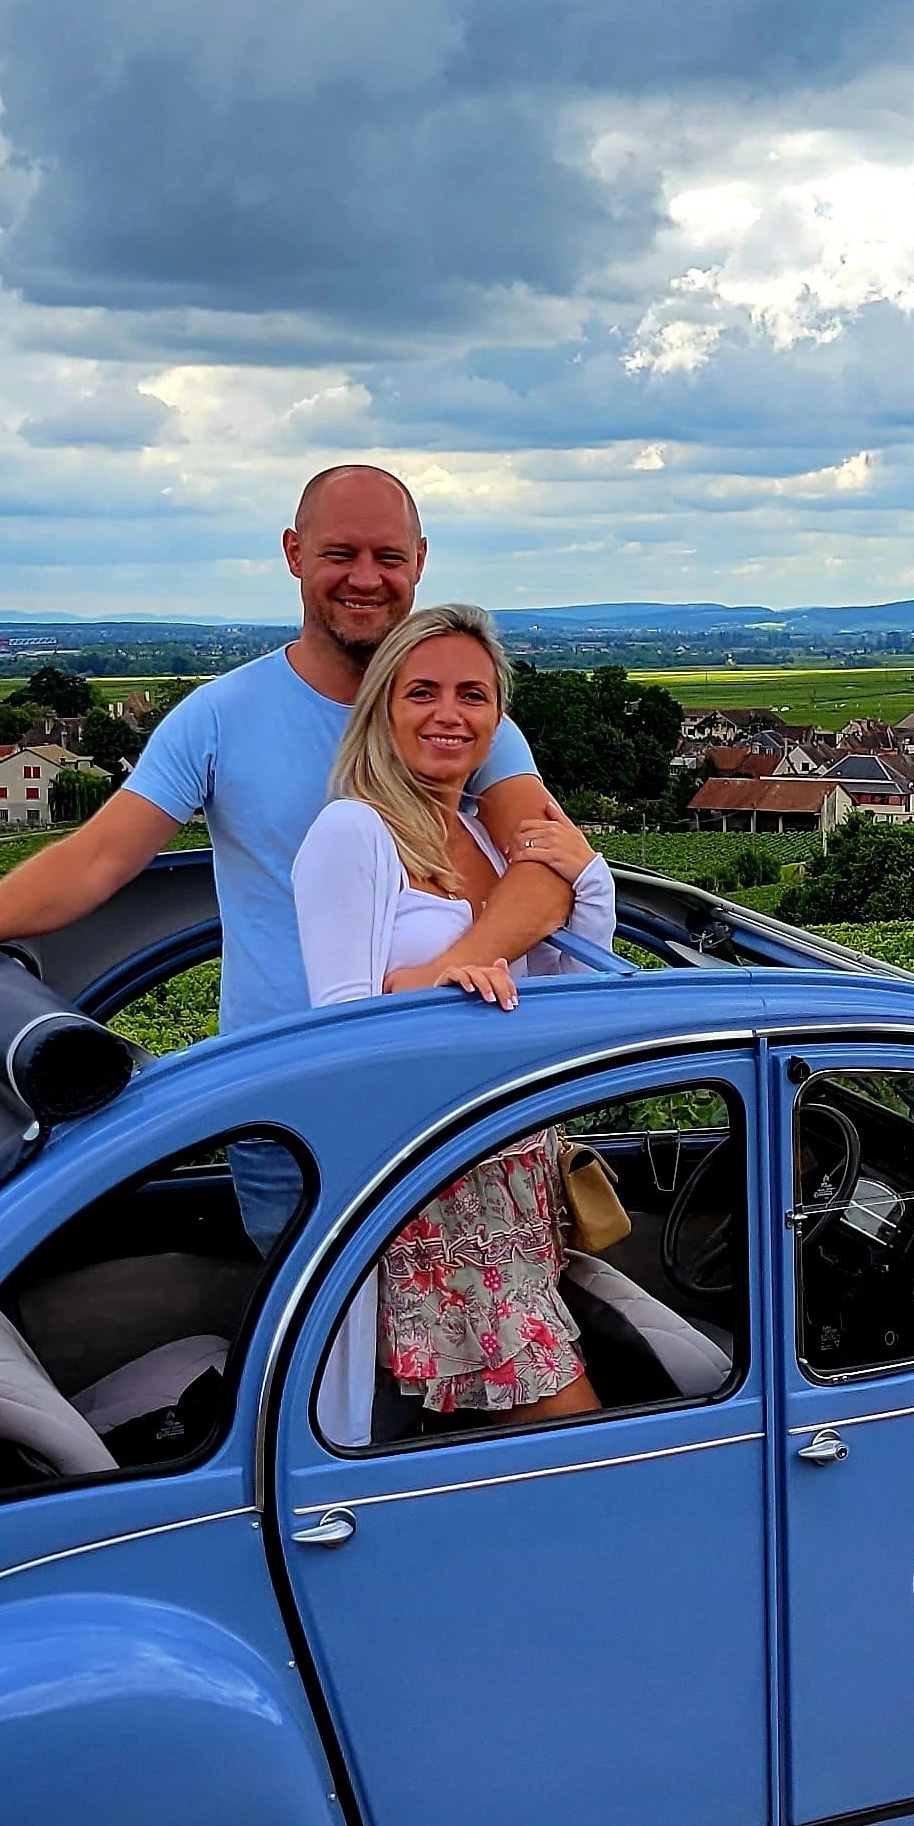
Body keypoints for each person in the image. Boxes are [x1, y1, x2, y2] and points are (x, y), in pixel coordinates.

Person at [0, 465, 590, 1241]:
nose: (365, 579)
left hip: (444, 1103)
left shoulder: (457, 717)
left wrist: (438, 979)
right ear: (294, 554)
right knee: (313, 1316)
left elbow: (547, 870)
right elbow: (99, 858)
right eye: (340, 554)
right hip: (281, 1106)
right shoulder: (221, 717)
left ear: (419, 561)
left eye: (387, 557)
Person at [296, 602, 616, 1430]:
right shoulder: (353, 832)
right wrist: (444, 993)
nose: (450, 713)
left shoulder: (487, 836)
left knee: (493, 1449)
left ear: (497, 717)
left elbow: (568, 991)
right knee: (571, 1434)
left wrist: (590, 880)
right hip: (432, 1187)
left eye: (473, 695)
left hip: (517, 1178)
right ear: (383, 710)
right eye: (422, 692)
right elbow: (342, 1041)